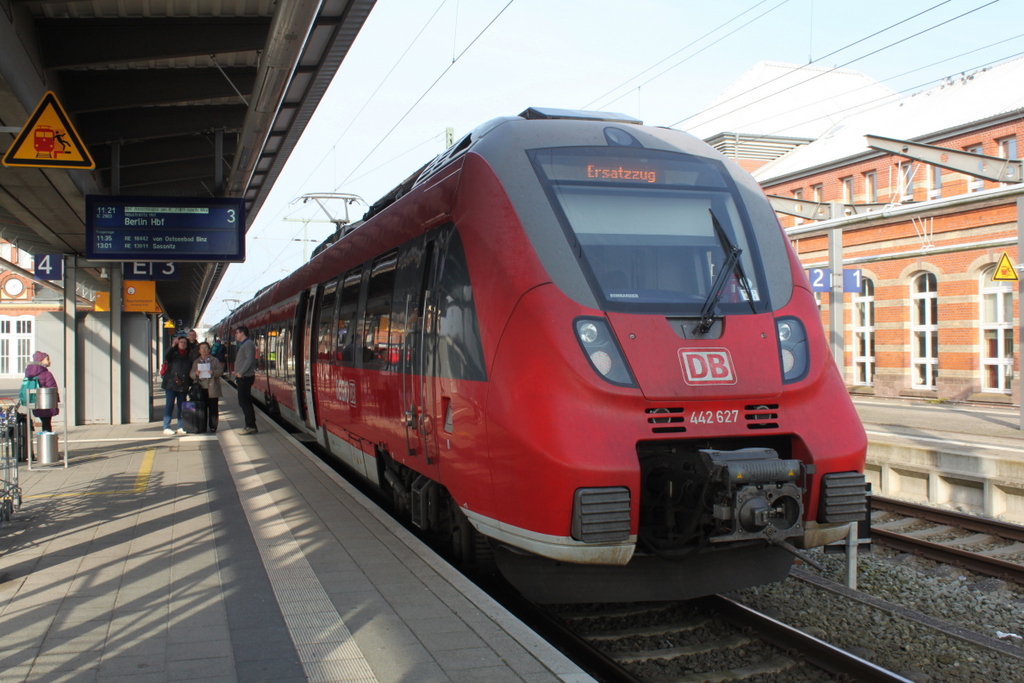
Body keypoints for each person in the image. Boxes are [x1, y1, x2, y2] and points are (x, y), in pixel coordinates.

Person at [189, 341, 224, 433]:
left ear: (209, 350)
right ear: (199, 350)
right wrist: (195, 374)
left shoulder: (214, 360)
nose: (204, 350)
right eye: (202, 348)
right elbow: (191, 374)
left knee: (213, 408)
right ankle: (202, 426)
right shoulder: (196, 362)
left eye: (206, 348)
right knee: (202, 408)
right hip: (200, 388)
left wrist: (213, 372)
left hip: (212, 387)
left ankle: (213, 426)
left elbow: (221, 371)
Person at [162, 334, 193, 435]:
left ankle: (180, 426)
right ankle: (166, 427)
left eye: (185, 342)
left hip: (183, 385)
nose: (183, 344)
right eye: (181, 342)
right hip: (171, 384)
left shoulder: (188, 357)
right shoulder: (173, 354)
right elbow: (166, 355)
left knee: (181, 406)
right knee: (169, 405)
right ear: (177, 343)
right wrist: (172, 346)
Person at [24, 351, 59, 432]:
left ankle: (44, 438)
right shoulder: (46, 373)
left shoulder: (29, 373)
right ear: (41, 360)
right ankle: (47, 440)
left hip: (35, 401)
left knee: (44, 421)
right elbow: (52, 388)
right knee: (47, 423)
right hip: (46, 402)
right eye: (47, 359)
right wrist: (56, 401)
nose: (50, 361)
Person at [233, 326, 257, 434]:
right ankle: (250, 425)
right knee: (244, 401)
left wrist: (240, 373)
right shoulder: (245, 344)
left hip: (245, 377)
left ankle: (250, 426)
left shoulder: (248, 344)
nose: (236, 335)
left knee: (245, 402)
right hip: (242, 376)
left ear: (242, 333)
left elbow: (249, 360)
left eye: (237, 333)